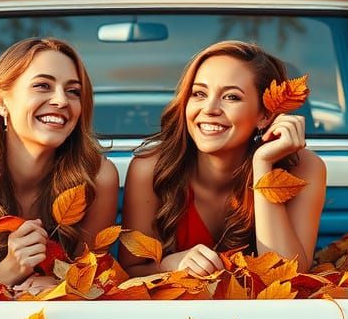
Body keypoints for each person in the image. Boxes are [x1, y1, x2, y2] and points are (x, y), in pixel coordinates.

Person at [0, 38, 119, 299]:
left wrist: (60, 286)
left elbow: (92, 284)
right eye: (42, 86)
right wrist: (11, 269)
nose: (61, 100)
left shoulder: (97, 176)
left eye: (73, 91)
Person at [120, 40, 326, 277]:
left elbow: (287, 276)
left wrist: (262, 166)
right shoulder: (151, 168)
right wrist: (173, 264)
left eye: (231, 97)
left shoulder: (304, 168)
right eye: (198, 93)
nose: (209, 108)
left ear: (265, 115)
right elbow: (130, 272)